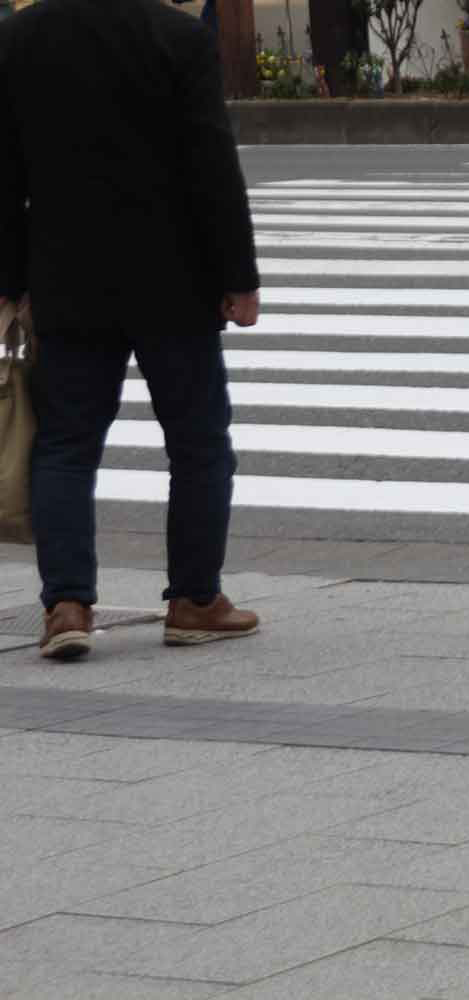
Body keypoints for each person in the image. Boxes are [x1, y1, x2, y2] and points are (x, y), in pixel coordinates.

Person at [0, 0, 262, 661]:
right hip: (174, 278)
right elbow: (211, 160)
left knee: (64, 445)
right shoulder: (176, 36)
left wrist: (9, 281)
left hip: (66, 277)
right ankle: (195, 601)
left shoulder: (19, 37)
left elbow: (3, 175)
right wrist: (239, 276)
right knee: (199, 442)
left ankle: (66, 605)